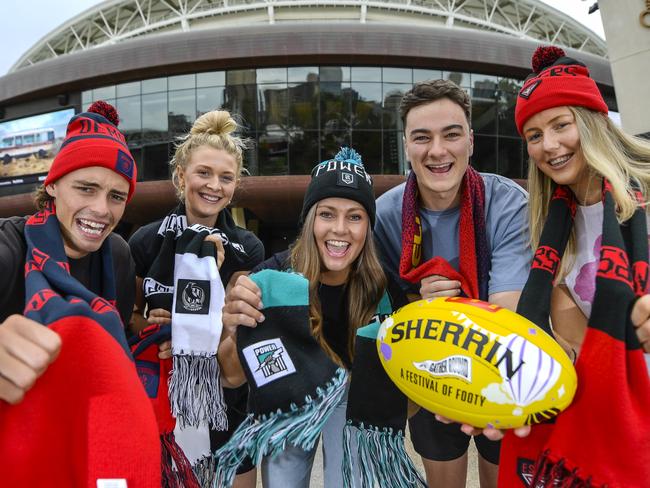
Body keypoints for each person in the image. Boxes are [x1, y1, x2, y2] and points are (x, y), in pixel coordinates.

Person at [496, 45, 650, 487]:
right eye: (534, 134)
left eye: (561, 125)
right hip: (607, 423)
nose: (550, 145)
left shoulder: (643, 195)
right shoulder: (550, 229)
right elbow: (574, 348)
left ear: (591, 122)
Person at [218, 148, 409, 488]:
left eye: (355, 216)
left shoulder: (384, 288)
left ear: (368, 225)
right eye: (327, 214)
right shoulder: (271, 279)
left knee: (348, 477)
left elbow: (406, 399)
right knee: (283, 480)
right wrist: (233, 329)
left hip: (350, 395)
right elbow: (231, 377)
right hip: (290, 393)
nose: (340, 229)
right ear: (309, 220)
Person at [373, 79, 531, 488]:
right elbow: (378, 303)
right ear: (406, 145)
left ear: (471, 141)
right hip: (426, 367)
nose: (438, 151)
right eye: (422, 138)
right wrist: (417, 302)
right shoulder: (383, 215)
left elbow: (506, 311)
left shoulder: (508, 201)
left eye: (452, 135)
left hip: (498, 367)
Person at [0, 101, 160, 486]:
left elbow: (113, 351)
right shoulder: (8, 247)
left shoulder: (119, 256)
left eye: (116, 196)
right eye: (85, 188)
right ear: (52, 184)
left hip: (87, 441)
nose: (101, 209)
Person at [128, 109, 264, 487]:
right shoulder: (146, 240)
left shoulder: (247, 247)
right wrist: (152, 328)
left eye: (226, 177)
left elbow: (236, 326)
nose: (214, 186)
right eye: (203, 173)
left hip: (224, 391)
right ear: (180, 176)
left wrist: (210, 285)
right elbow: (129, 317)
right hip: (161, 389)